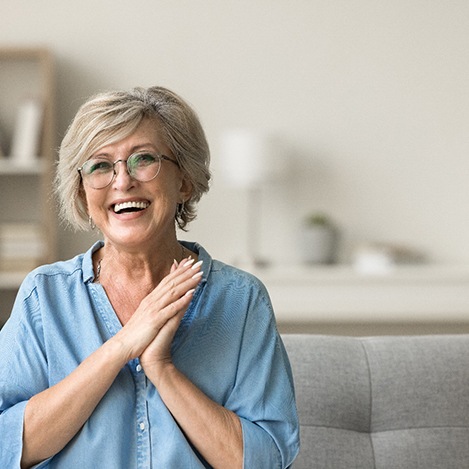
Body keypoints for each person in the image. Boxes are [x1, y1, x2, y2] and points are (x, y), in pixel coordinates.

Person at [0, 86, 299, 468]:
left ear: (185, 181)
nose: (122, 181)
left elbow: (266, 460)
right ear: (82, 191)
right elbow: (7, 446)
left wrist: (162, 368)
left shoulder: (240, 301)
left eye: (144, 160)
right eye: (101, 165)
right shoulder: (44, 297)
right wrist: (122, 345)